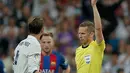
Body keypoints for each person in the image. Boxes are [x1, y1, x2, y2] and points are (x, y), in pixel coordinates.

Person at [75, 0, 105, 73]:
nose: (80, 36)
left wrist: (94, 6)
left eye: (83, 33)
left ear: (91, 34)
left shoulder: (97, 46)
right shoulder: (78, 50)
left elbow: (98, 29)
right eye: (79, 33)